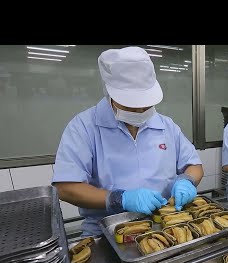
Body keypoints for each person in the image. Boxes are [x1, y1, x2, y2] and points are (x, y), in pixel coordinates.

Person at [52, 47, 203, 236]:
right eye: (131, 104)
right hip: (107, 231)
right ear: (111, 93)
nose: (140, 111)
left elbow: (194, 165)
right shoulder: (84, 127)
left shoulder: (166, 126)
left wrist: (187, 181)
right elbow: (66, 188)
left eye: (145, 104)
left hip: (166, 224)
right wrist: (119, 199)